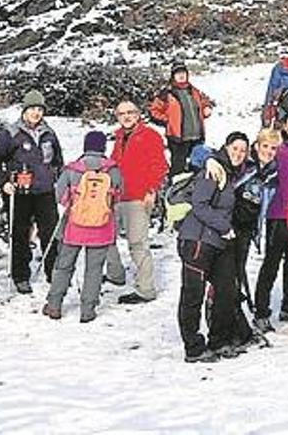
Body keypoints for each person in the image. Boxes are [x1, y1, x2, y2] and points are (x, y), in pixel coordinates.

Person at [44, 131, 123, 323]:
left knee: (64, 266)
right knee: (94, 269)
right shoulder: (112, 170)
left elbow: (59, 196)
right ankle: (88, 310)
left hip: (74, 226)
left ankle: (54, 305)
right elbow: (119, 196)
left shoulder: (73, 168)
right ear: (103, 147)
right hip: (102, 227)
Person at [0, 89, 64, 294]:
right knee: (20, 234)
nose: (36, 113)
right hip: (19, 192)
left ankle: (53, 271)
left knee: (50, 232)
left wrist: (58, 178)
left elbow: (58, 161)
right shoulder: (10, 133)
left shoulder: (49, 133)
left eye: (39, 109)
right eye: (32, 109)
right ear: (24, 110)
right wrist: (2, 181)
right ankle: (20, 275)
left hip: (45, 191)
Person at [176, 142, 243, 363]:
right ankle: (193, 346)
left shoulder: (231, 172)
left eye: (243, 151)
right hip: (197, 240)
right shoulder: (213, 171)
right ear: (226, 148)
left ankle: (219, 340)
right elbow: (200, 204)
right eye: (235, 149)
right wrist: (225, 227)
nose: (239, 154)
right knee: (193, 293)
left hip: (217, 243)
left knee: (226, 290)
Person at [207, 129, 280, 328]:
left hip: (247, 228)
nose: (269, 151)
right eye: (265, 146)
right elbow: (216, 159)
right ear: (256, 146)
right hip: (228, 225)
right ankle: (219, 316)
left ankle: (233, 317)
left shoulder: (272, 172)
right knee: (226, 275)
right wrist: (210, 159)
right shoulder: (246, 166)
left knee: (238, 272)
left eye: (273, 148)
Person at [106, 101, 167, 305]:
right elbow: (114, 163)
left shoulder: (150, 136)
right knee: (105, 237)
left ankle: (146, 289)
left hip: (138, 197)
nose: (126, 116)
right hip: (117, 196)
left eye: (130, 112)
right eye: (122, 113)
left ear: (138, 114)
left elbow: (159, 166)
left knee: (137, 243)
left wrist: (151, 190)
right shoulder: (119, 137)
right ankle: (116, 275)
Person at [253, 112, 288, 331]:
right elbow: (257, 154)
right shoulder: (277, 147)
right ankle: (261, 311)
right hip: (278, 213)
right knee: (271, 263)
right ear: (284, 125)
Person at [149, 62, 214, 176]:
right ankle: (174, 190)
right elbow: (153, 110)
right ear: (173, 76)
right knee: (178, 169)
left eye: (183, 72)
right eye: (178, 73)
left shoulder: (194, 91)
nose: (181, 75)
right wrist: (167, 120)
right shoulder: (167, 93)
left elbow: (205, 102)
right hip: (178, 138)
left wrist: (207, 108)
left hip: (197, 136)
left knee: (197, 165)